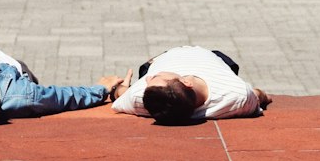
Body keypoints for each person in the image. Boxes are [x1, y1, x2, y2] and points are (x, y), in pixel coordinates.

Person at [111, 46, 271, 125]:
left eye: (154, 77)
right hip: (211, 56)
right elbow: (256, 96)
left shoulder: (139, 96)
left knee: (147, 68)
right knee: (225, 61)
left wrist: (116, 89)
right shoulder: (237, 93)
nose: (149, 78)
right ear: (186, 82)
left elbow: (122, 94)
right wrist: (263, 96)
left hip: (163, 57)